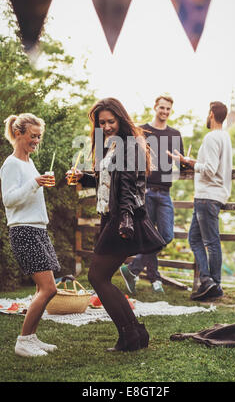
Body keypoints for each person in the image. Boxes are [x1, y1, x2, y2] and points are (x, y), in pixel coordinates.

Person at [70, 98, 165, 352]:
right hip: (113, 216)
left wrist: (123, 220)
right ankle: (134, 334)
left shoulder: (130, 145)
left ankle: (131, 335)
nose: (107, 125)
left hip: (124, 217)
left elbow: (127, 188)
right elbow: (109, 182)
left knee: (97, 277)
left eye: (111, 121)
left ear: (121, 119)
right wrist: (85, 178)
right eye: (102, 122)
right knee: (102, 278)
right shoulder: (111, 145)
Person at [0, 113, 60, 357]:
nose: (36, 141)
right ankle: (23, 341)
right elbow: (9, 200)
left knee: (43, 289)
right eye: (32, 136)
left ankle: (31, 337)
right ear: (18, 134)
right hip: (24, 231)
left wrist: (40, 182)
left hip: (37, 229)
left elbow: (29, 194)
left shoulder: (28, 162)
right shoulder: (11, 164)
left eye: (39, 136)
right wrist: (35, 183)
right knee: (48, 289)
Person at [120, 94, 185, 293]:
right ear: (155, 107)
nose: (165, 112)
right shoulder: (142, 131)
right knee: (148, 235)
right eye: (162, 108)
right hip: (145, 191)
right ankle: (154, 278)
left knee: (165, 235)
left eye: (168, 109)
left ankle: (133, 269)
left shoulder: (175, 134)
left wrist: (185, 161)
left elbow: (181, 163)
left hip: (165, 192)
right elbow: (130, 158)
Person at [168, 101, 232, 300]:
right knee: (194, 239)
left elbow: (210, 169)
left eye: (208, 112)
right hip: (211, 195)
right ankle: (208, 281)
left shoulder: (212, 137)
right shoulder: (225, 137)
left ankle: (214, 284)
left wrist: (190, 163)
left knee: (211, 242)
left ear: (211, 114)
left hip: (207, 196)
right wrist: (191, 162)